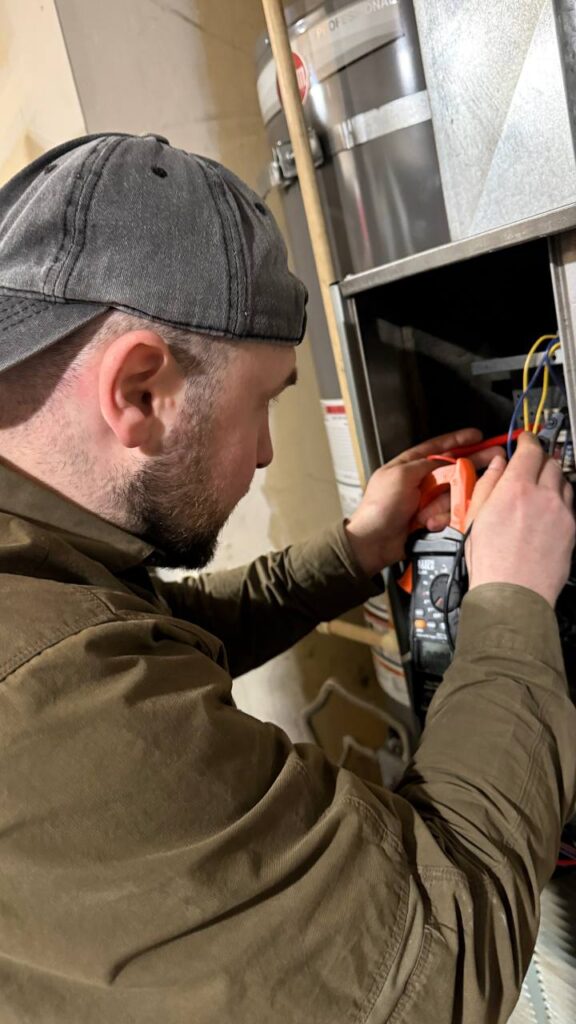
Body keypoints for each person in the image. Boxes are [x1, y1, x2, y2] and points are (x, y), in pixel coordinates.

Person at [0, 132, 574, 1024]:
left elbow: (154, 640)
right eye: (262, 402)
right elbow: (437, 962)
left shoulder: (39, 572)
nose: (268, 452)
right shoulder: (41, 694)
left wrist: (353, 551)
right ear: (139, 392)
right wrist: (513, 603)